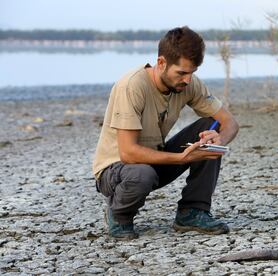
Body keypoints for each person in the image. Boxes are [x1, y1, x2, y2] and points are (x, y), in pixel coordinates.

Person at [92, 26, 239, 240]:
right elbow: (128, 154)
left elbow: (231, 123)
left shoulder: (187, 83)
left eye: (192, 73)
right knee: (142, 173)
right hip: (115, 171)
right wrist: (182, 157)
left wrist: (219, 139)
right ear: (161, 63)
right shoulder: (132, 86)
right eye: (181, 73)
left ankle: (192, 212)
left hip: (154, 162)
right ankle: (119, 214)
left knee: (209, 128)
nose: (187, 80)